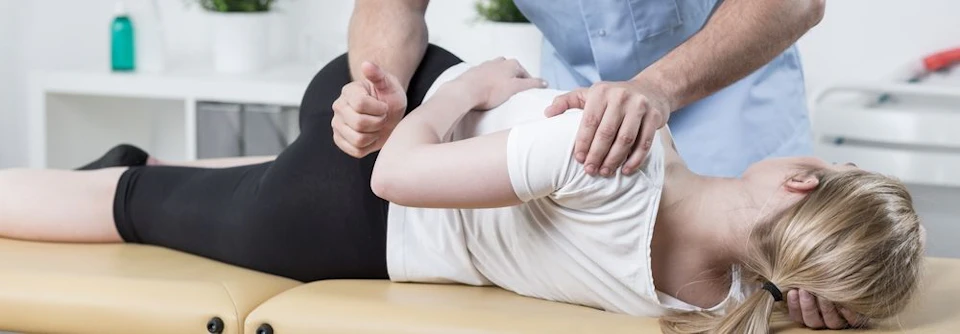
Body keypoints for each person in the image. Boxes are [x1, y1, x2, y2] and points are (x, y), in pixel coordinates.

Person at [0, 46, 921, 334]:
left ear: (804, 176)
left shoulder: (613, 154)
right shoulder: (723, 305)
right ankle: (168, 173)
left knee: (125, 210)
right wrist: (803, 300)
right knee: (223, 193)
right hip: (370, 139)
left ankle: (138, 174)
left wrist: (471, 88)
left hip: (355, 197)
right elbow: (783, 285)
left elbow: (398, 174)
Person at [342, 2, 832, 326]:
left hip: (733, 107)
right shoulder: (567, 152)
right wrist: (378, 95)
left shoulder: (777, 194)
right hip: (574, 144)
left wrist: (841, 261)